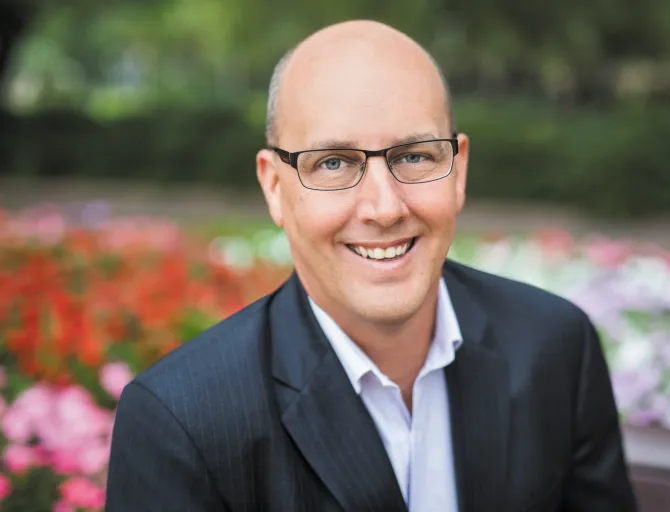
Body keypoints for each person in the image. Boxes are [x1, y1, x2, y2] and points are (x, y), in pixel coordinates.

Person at [105, 20, 637, 512]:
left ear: (458, 171)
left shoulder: (554, 347)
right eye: (333, 163)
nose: (384, 208)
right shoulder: (181, 422)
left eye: (415, 156)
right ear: (274, 187)